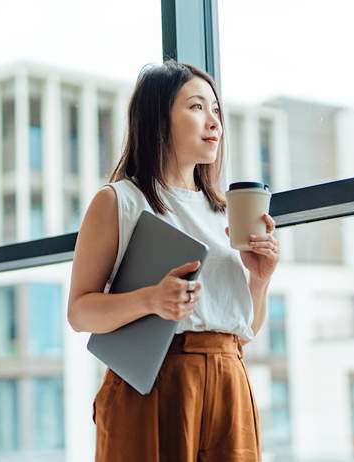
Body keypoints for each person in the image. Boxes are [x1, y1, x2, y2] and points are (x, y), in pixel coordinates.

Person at [67, 60, 279, 462]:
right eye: (197, 107)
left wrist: (260, 278)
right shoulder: (120, 201)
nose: (213, 122)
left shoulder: (225, 213)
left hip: (229, 378)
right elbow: (79, 312)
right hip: (154, 381)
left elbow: (243, 329)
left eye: (216, 110)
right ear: (158, 117)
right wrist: (151, 300)